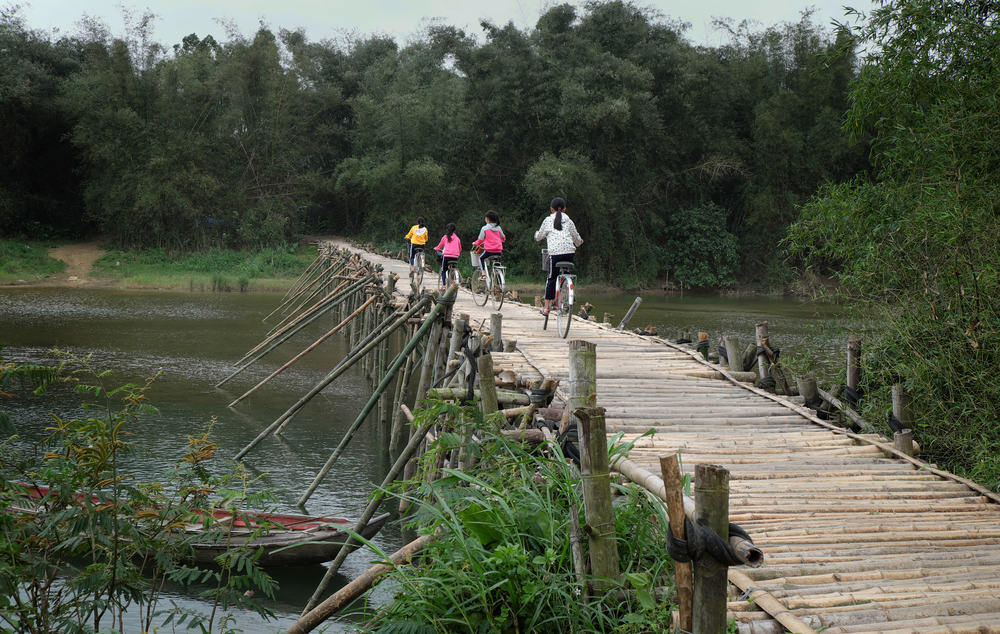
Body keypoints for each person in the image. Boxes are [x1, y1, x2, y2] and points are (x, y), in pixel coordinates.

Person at [534, 197, 583, 316]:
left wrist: (537, 235)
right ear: (565, 209)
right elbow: (577, 238)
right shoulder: (569, 221)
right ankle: (568, 288)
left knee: (551, 279)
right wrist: (578, 242)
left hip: (555, 255)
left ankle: (546, 308)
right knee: (565, 271)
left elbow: (539, 237)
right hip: (569, 254)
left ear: (551, 209)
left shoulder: (547, 220)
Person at [472, 210, 505, 277]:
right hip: (499, 251)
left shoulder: (484, 228)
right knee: (497, 265)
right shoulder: (498, 228)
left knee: (481, 258)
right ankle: (500, 284)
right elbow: (503, 238)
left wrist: (475, 243)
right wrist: (499, 241)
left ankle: (483, 274)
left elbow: (480, 240)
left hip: (489, 251)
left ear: (487, 219)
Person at [432, 223, 462, 289]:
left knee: (444, 270)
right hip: (455, 257)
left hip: (447, 256)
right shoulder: (457, 238)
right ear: (454, 230)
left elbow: (439, 247)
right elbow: (460, 249)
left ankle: (444, 285)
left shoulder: (445, 237)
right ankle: (453, 280)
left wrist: (435, 248)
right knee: (452, 268)